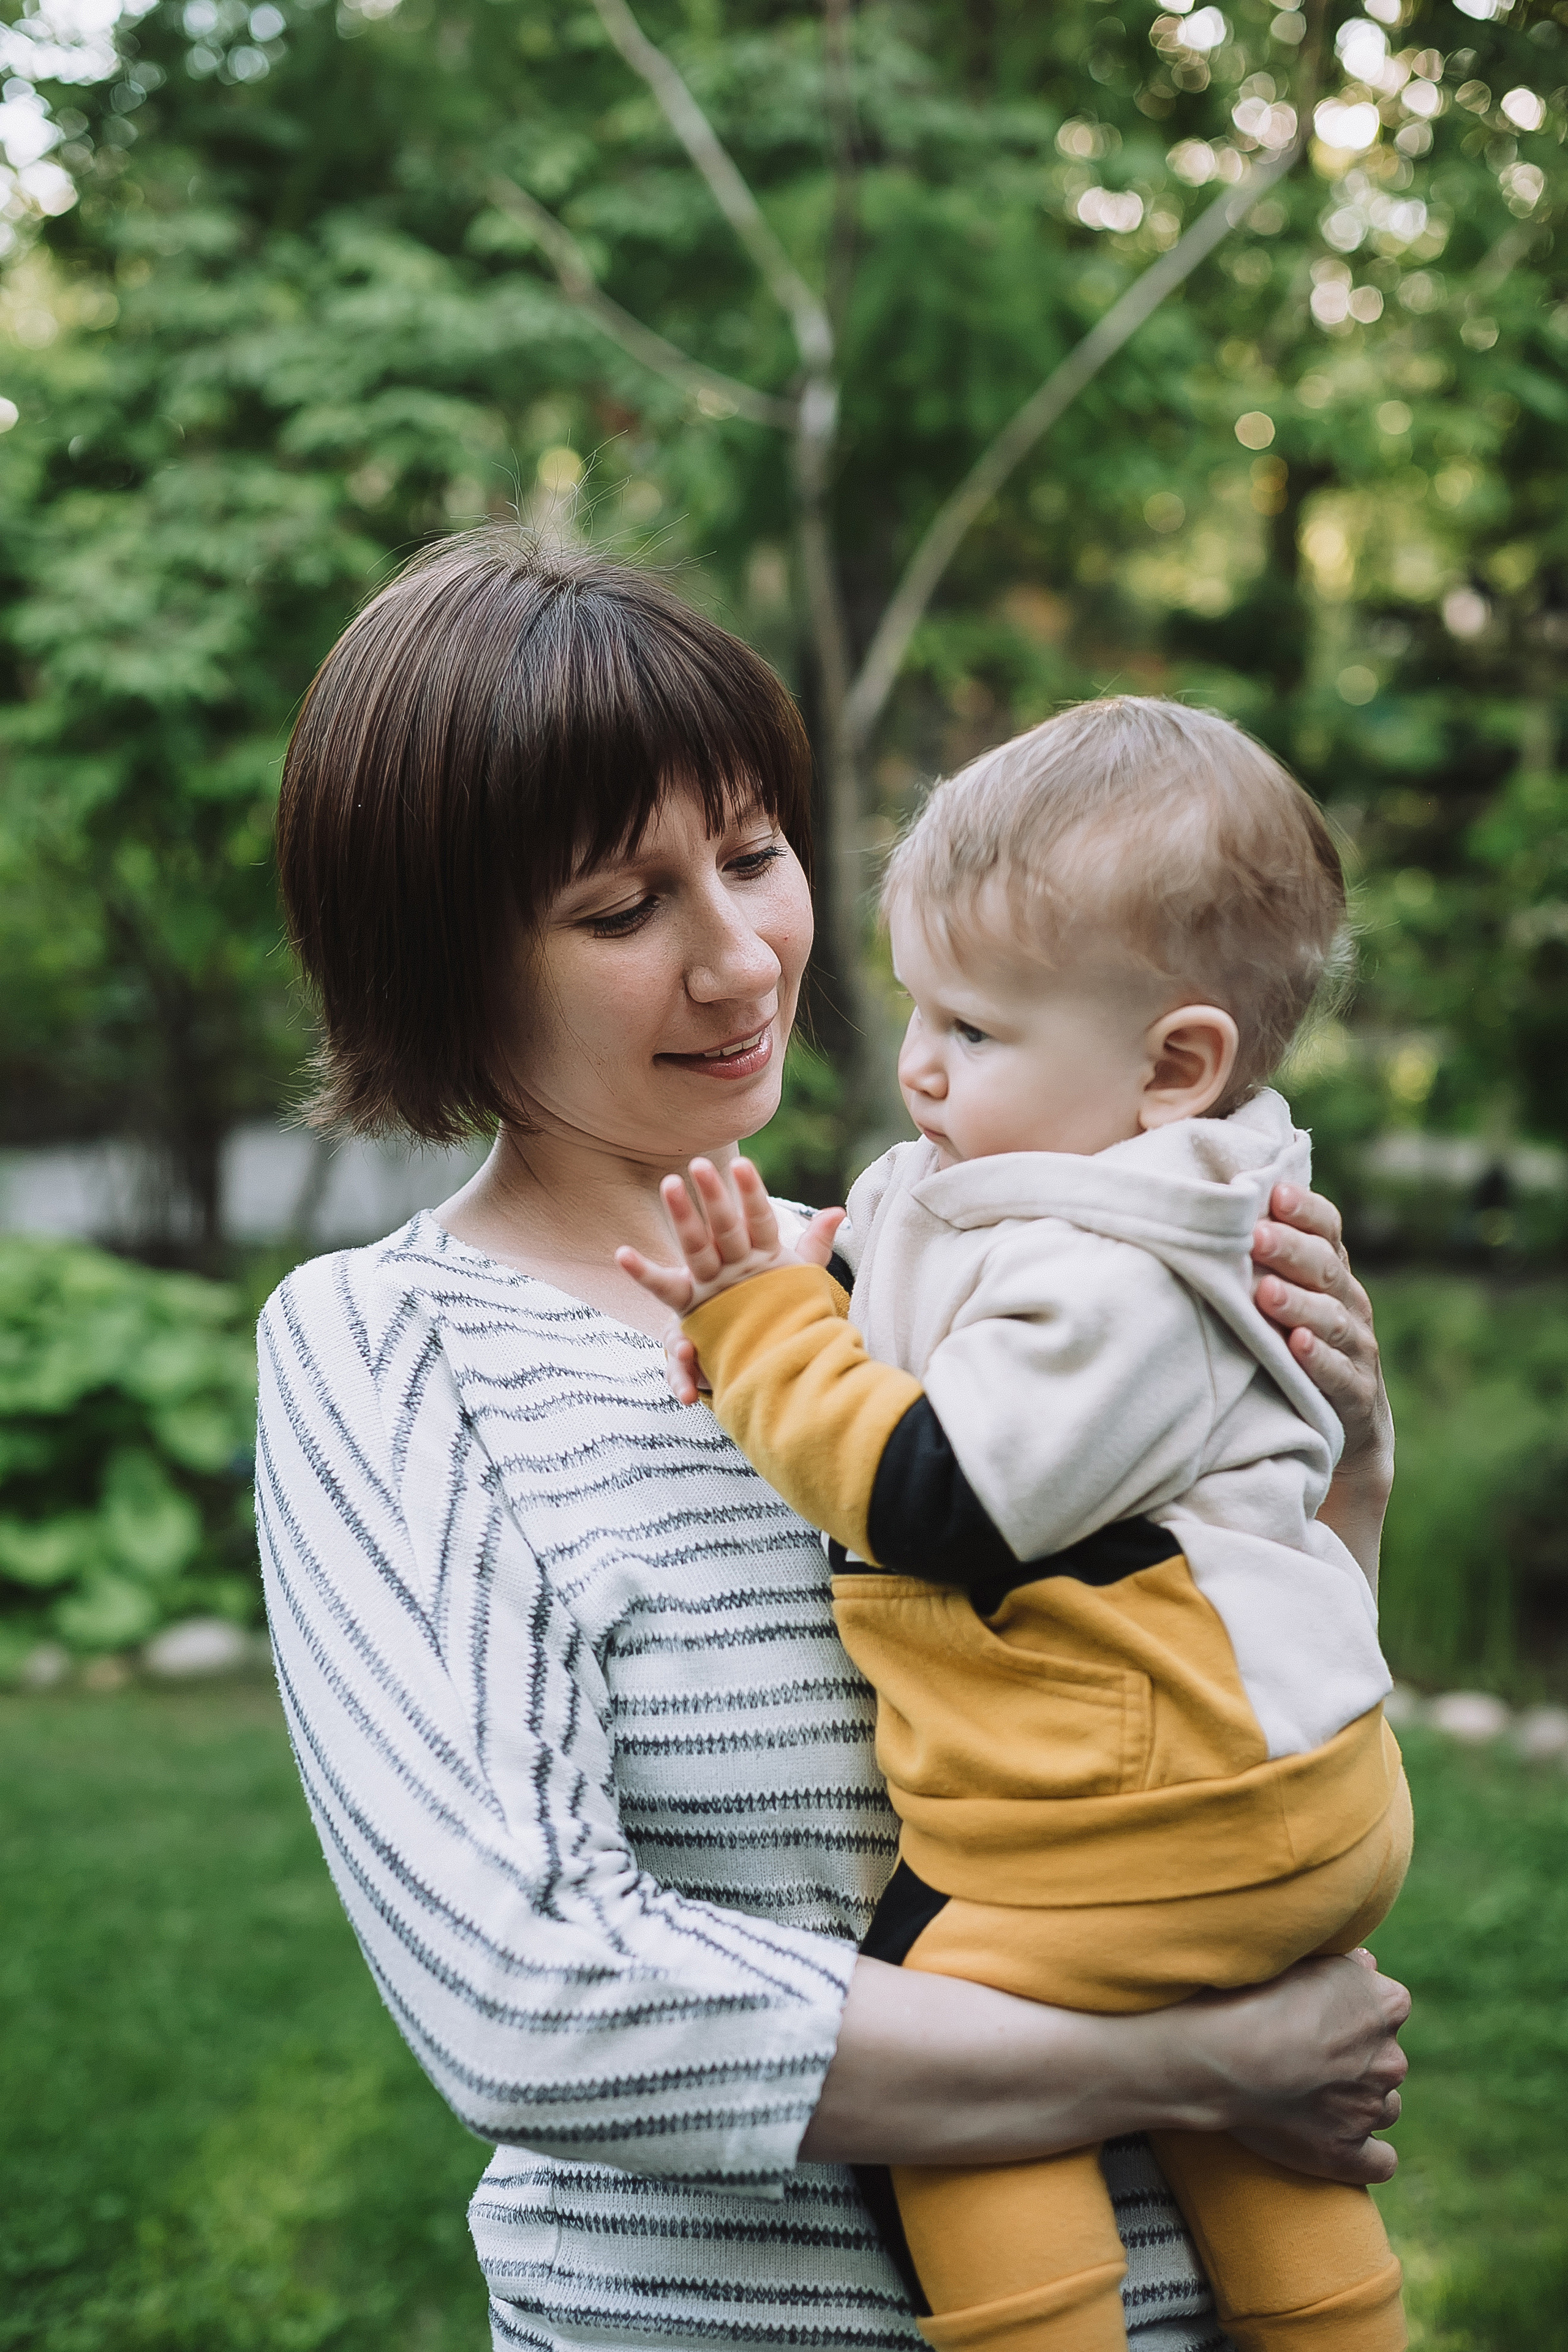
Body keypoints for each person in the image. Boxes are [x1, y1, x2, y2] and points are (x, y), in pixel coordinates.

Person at [260, 533, 1409, 2352]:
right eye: (623, 911)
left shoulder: (981, 1269)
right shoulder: (395, 1349)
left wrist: (1333, 1482)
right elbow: (534, 1994)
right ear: (443, 963)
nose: (740, 963)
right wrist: (1201, 2057)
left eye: (752, 856)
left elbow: (1182, 1727)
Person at [619, 699, 1412, 2352]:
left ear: (1174, 1065)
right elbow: (902, 1252)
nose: (917, 1063)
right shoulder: (1061, 1166)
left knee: (945, 2045)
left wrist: (765, 1330)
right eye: (920, 1006)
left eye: (970, 1029)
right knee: (1244, 2139)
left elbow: (937, 1498)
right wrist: (793, 1290)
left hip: (1156, 1822)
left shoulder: (1132, 1269)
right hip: (1230, 1794)